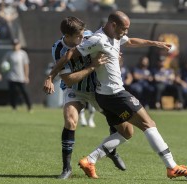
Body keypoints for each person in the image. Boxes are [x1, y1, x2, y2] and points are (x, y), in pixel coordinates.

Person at [43, 11, 187, 179]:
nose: (126, 32)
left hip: (100, 93)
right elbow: (69, 56)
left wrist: (155, 43)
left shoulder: (109, 36)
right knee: (148, 123)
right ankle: (172, 167)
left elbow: (130, 41)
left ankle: (91, 159)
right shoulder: (96, 40)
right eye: (124, 28)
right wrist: (51, 76)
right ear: (114, 25)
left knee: (126, 132)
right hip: (110, 93)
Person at [44, 17, 127, 179]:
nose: (83, 38)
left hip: (98, 89)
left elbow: (120, 44)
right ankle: (66, 168)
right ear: (68, 36)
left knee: (120, 124)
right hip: (75, 89)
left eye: (83, 34)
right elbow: (68, 80)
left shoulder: (90, 36)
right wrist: (92, 66)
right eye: (79, 36)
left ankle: (111, 151)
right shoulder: (58, 49)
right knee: (70, 120)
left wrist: (116, 57)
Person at [0, 39, 32, 112]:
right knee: (12, 93)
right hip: (11, 77)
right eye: (14, 44)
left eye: (16, 44)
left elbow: (26, 65)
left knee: (24, 92)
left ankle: (29, 107)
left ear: (19, 45)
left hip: (21, 77)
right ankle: (14, 107)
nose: (15, 46)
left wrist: (26, 76)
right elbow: (2, 64)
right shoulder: (9, 53)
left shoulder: (23, 54)